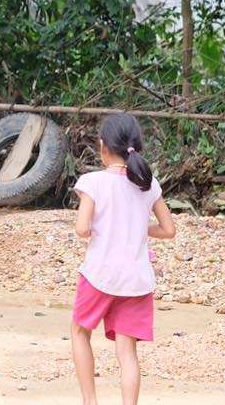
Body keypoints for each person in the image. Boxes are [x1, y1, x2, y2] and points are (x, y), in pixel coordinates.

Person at [71, 114, 176, 405]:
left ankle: (89, 402)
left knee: (80, 332)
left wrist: (104, 227)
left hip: (99, 275)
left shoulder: (93, 182)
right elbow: (169, 230)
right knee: (127, 351)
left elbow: (82, 229)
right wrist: (137, 227)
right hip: (137, 280)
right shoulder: (147, 183)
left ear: (103, 147)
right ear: (134, 146)